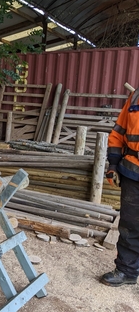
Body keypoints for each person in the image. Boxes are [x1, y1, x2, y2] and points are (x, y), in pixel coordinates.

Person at [101, 87, 139, 287]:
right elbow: (118, 133)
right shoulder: (136, 96)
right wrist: (113, 164)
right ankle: (127, 271)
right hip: (134, 172)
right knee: (130, 225)